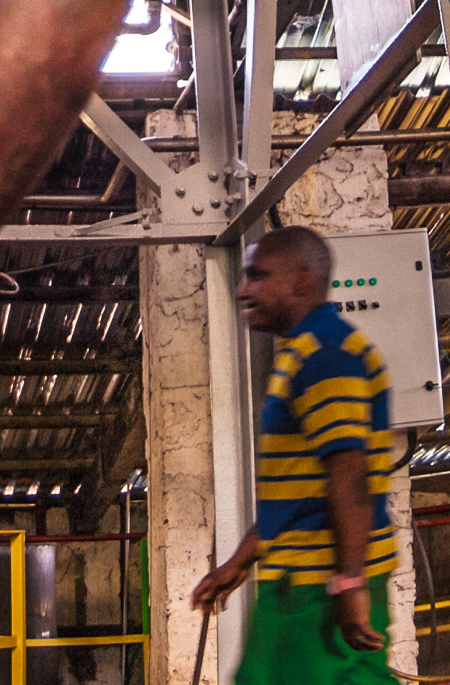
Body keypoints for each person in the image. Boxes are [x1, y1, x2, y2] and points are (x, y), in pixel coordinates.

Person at [190, 224, 397, 680]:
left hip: (315, 589)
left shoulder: (326, 354)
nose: (244, 290)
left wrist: (349, 583)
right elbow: (300, 490)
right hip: (298, 582)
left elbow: (349, 474)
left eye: (258, 276)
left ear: (302, 280)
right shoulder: (302, 352)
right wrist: (239, 562)